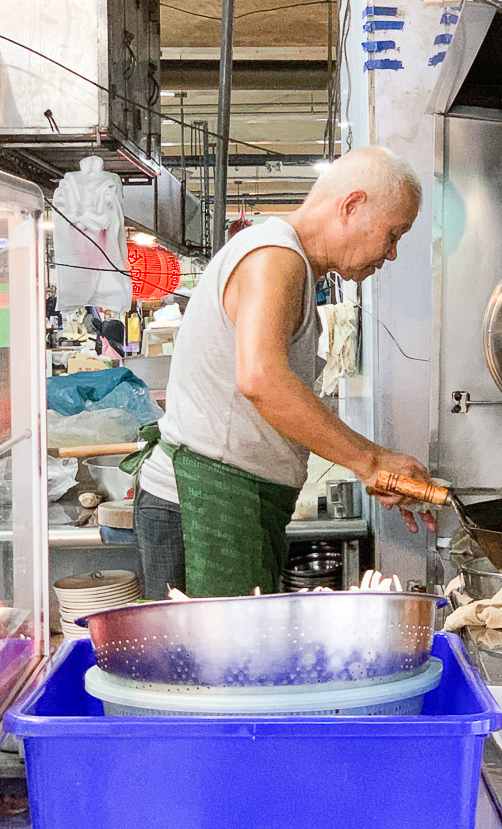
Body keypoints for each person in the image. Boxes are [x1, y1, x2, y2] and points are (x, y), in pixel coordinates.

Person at [128, 147, 435, 600]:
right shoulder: (274, 259)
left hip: (231, 504)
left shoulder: (291, 263)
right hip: (203, 508)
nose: (391, 253)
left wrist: (374, 466)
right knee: (217, 668)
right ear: (351, 206)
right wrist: (370, 461)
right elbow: (262, 381)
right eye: (393, 234)